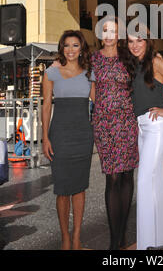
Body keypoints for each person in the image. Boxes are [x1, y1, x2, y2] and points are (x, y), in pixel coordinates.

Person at [126, 27, 163, 250]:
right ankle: (161, 241)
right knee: (156, 183)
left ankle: (146, 246)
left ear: (148, 41)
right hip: (142, 128)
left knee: (144, 181)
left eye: (139, 40)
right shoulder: (134, 65)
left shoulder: (156, 61)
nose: (135, 45)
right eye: (131, 41)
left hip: (157, 127)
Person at [42, 30, 95, 250]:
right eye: (66, 45)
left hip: (83, 135)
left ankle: (76, 239)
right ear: (61, 48)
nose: (70, 50)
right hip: (60, 135)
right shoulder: (51, 72)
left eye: (75, 45)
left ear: (81, 48)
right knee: (62, 189)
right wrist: (45, 137)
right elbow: (46, 107)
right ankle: (65, 238)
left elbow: (100, 101)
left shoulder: (90, 73)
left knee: (80, 188)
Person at [91, 17, 139, 250]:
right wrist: (106, 107)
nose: (109, 35)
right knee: (113, 177)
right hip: (104, 124)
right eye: (105, 30)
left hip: (127, 122)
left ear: (119, 35)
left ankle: (122, 236)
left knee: (127, 175)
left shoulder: (128, 57)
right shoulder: (92, 59)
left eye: (114, 31)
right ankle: (114, 240)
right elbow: (92, 92)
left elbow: (140, 82)